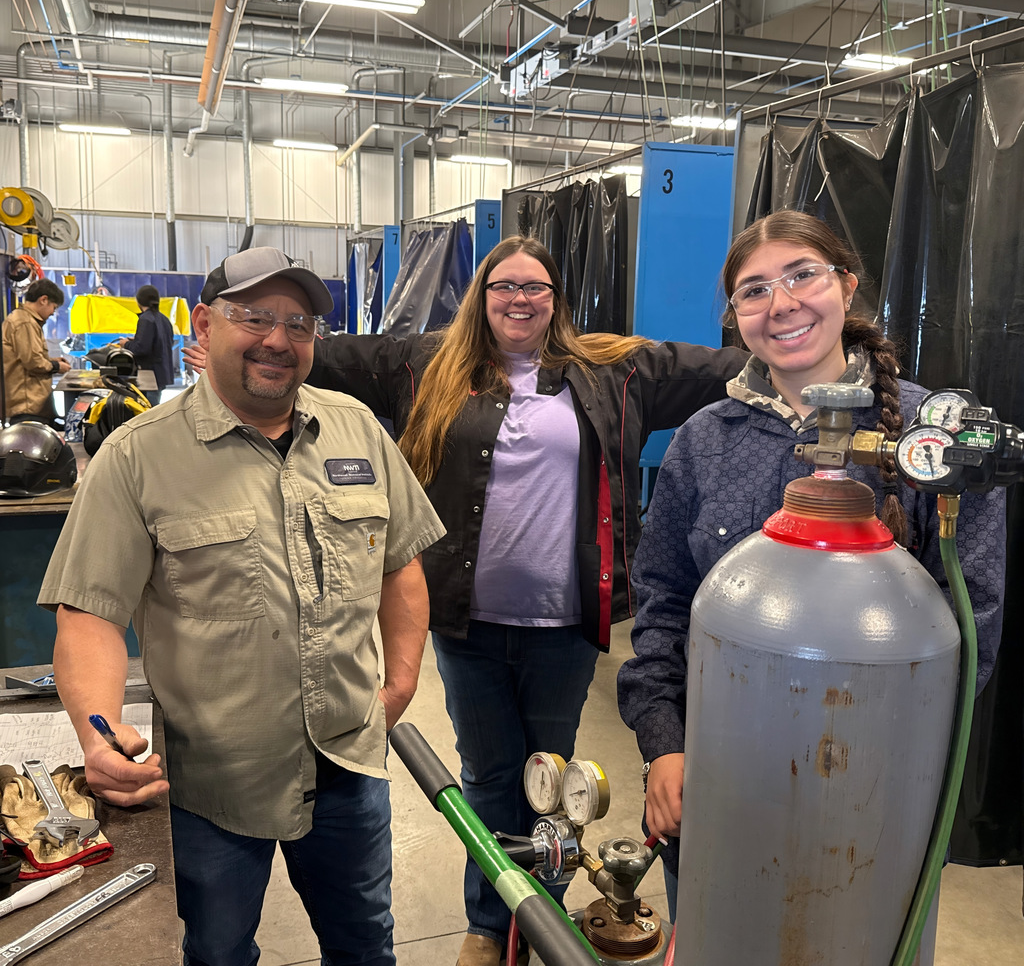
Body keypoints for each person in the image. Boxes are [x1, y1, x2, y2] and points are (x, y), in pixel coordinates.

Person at [186, 235, 748, 966]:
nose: (520, 299)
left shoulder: (615, 370)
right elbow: (315, 352)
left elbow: (735, 366)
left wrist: (835, 354)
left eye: (536, 287)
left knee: (552, 778)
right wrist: (238, 350)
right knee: (488, 778)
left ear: (557, 301)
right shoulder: (426, 364)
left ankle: (535, 920)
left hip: (565, 623)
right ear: (482, 298)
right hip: (465, 621)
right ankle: (490, 925)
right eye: (504, 286)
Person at [39, 246, 446, 966]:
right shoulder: (137, 458)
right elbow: (91, 613)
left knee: (364, 947)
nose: (278, 340)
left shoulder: (356, 431)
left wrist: (403, 681)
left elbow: (401, 563)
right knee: (220, 953)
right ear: (203, 324)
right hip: (212, 787)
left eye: (299, 323)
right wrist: (98, 736)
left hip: (348, 767)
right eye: (254, 316)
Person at [617, 210, 1006, 915]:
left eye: (803, 276)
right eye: (754, 290)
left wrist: (884, 761)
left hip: (872, 790)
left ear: (846, 285)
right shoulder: (705, 441)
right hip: (723, 772)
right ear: (735, 317)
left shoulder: (928, 442)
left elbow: (970, 625)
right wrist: (664, 746)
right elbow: (663, 602)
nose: (783, 305)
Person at [2, 278, 71, 425]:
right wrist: (57, 367)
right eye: (54, 307)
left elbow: (29, 356)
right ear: (44, 300)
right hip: (27, 407)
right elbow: (33, 362)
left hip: (33, 406)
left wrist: (53, 360)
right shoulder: (24, 322)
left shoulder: (27, 320)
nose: (53, 313)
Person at [118, 283, 175, 405]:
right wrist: (137, 339)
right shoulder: (164, 319)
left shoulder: (145, 319)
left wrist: (126, 344)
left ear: (139, 302)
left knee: (147, 413)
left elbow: (141, 349)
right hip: (161, 374)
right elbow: (158, 342)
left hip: (149, 376)